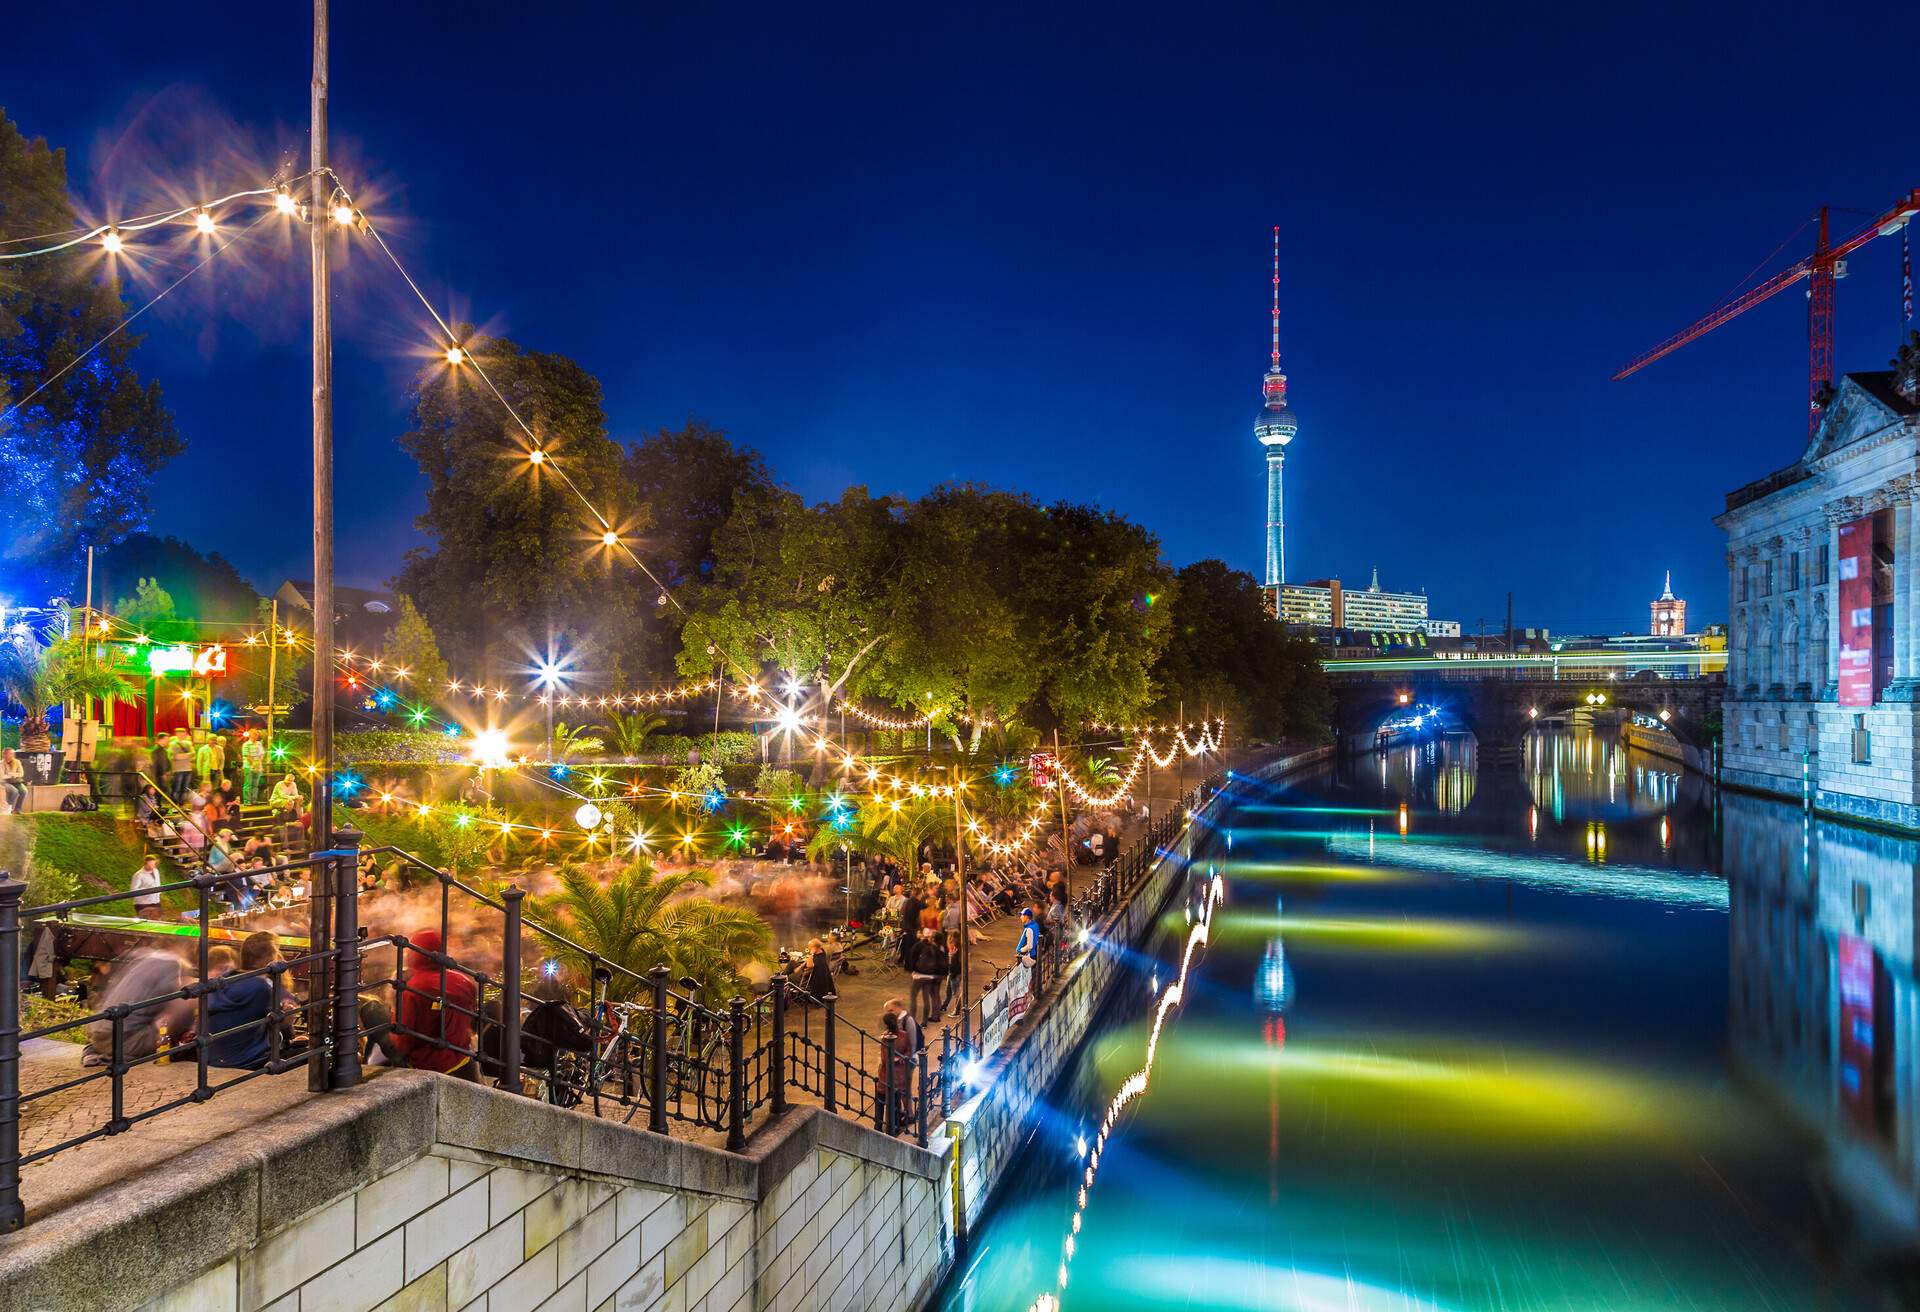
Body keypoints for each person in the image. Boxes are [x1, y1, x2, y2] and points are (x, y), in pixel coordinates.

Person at [391, 929, 480, 1079]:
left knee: (374, 1015)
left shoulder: (413, 989)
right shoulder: (465, 981)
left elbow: (403, 1040)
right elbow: (472, 1022)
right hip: (465, 1063)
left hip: (428, 1069)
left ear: (415, 952)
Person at [82, 946, 190, 1067]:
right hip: (124, 1043)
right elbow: (171, 1008)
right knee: (173, 1014)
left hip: (98, 1037)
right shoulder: (171, 966)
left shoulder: (143, 962)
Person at [907, 927, 946, 1025]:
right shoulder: (939, 947)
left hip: (920, 976)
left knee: (913, 998)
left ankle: (912, 1020)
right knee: (927, 999)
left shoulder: (921, 946)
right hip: (931, 976)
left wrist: (912, 970)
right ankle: (924, 1022)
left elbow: (911, 958)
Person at [897, 885, 925, 969]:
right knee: (912, 948)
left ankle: (906, 963)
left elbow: (902, 912)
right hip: (912, 928)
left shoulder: (907, 901)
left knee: (907, 946)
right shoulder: (917, 903)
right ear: (919, 894)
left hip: (906, 927)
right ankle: (910, 965)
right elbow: (915, 917)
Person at [165, 729, 195, 801]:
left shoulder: (189, 743)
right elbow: (174, 756)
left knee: (185, 789)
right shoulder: (173, 744)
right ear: (177, 734)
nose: (183, 736)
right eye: (181, 734)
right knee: (176, 788)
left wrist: (182, 756)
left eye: (184, 734)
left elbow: (193, 754)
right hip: (178, 769)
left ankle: (181, 804)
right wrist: (187, 755)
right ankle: (174, 805)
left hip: (188, 769)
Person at [941, 930, 964, 1017]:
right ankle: (944, 1005)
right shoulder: (959, 948)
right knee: (949, 991)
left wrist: (950, 956)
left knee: (956, 993)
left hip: (955, 973)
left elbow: (954, 964)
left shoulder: (955, 950)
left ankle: (956, 1011)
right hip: (953, 973)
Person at [241, 731, 266, 805]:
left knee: (255, 784)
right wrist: (254, 764)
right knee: (248, 784)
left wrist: (258, 763)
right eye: (255, 734)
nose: (256, 736)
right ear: (251, 735)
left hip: (258, 767)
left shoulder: (259, 744)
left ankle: (254, 800)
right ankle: (247, 800)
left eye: (257, 735)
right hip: (249, 767)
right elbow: (247, 755)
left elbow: (261, 754)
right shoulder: (246, 744)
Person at [0, 749, 25, 815]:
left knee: (24, 791)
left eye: (12, 754)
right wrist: (13, 774)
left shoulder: (17, 762)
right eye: (8, 754)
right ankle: (8, 809)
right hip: (4, 782)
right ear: (4, 755)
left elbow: (21, 773)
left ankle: (17, 809)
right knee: (14, 791)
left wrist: (11, 774)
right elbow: (2, 776)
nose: (11, 755)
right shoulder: (1, 763)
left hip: (15, 781)